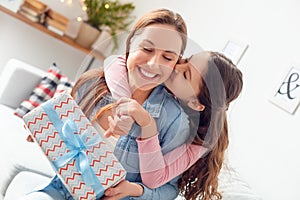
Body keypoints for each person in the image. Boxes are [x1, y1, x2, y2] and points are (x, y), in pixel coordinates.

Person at [5, 8, 191, 200]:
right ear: (130, 45)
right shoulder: (92, 84)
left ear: (176, 63)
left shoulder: (174, 120)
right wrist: (46, 133)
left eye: (167, 58)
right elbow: (65, 137)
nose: (153, 64)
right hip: (61, 190)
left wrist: (134, 190)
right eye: (147, 49)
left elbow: (169, 190)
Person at [101, 51, 243, 200]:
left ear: (195, 103)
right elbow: (114, 61)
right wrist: (125, 105)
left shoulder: (197, 142)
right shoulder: (165, 81)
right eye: (186, 60)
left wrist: (148, 125)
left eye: (186, 75)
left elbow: (155, 179)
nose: (177, 68)